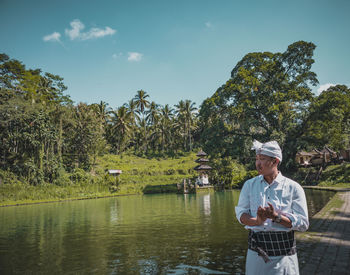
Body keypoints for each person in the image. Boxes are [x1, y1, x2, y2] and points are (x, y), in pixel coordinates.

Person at [235, 140, 309, 275]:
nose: (258, 163)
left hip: (284, 257)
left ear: (275, 161)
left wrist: (276, 217)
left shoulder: (293, 188)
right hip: (255, 255)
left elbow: (303, 223)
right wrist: (257, 221)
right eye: (256, 159)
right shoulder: (249, 185)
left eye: (262, 159)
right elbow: (241, 214)